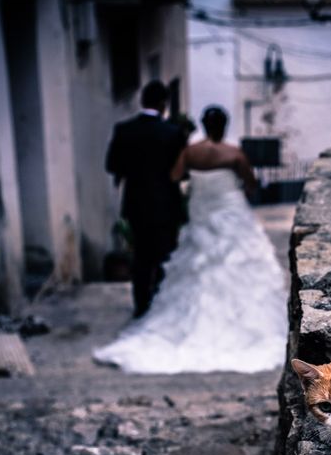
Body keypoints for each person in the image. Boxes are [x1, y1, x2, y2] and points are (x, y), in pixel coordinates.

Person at [93, 106, 287, 374]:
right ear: (224, 125)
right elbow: (251, 184)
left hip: (201, 211)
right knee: (235, 262)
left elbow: (174, 176)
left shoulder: (190, 151)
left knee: (198, 263)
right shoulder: (234, 153)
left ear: (204, 125)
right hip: (229, 210)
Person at [105, 81, 186, 317]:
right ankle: (161, 304)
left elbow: (111, 165)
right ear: (163, 104)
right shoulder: (172, 133)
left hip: (136, 203)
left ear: (142, 102)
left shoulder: (124, 130)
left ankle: (141, 305)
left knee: (141, 256)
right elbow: (182, 173)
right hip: (166, 205)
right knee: (164, 255)